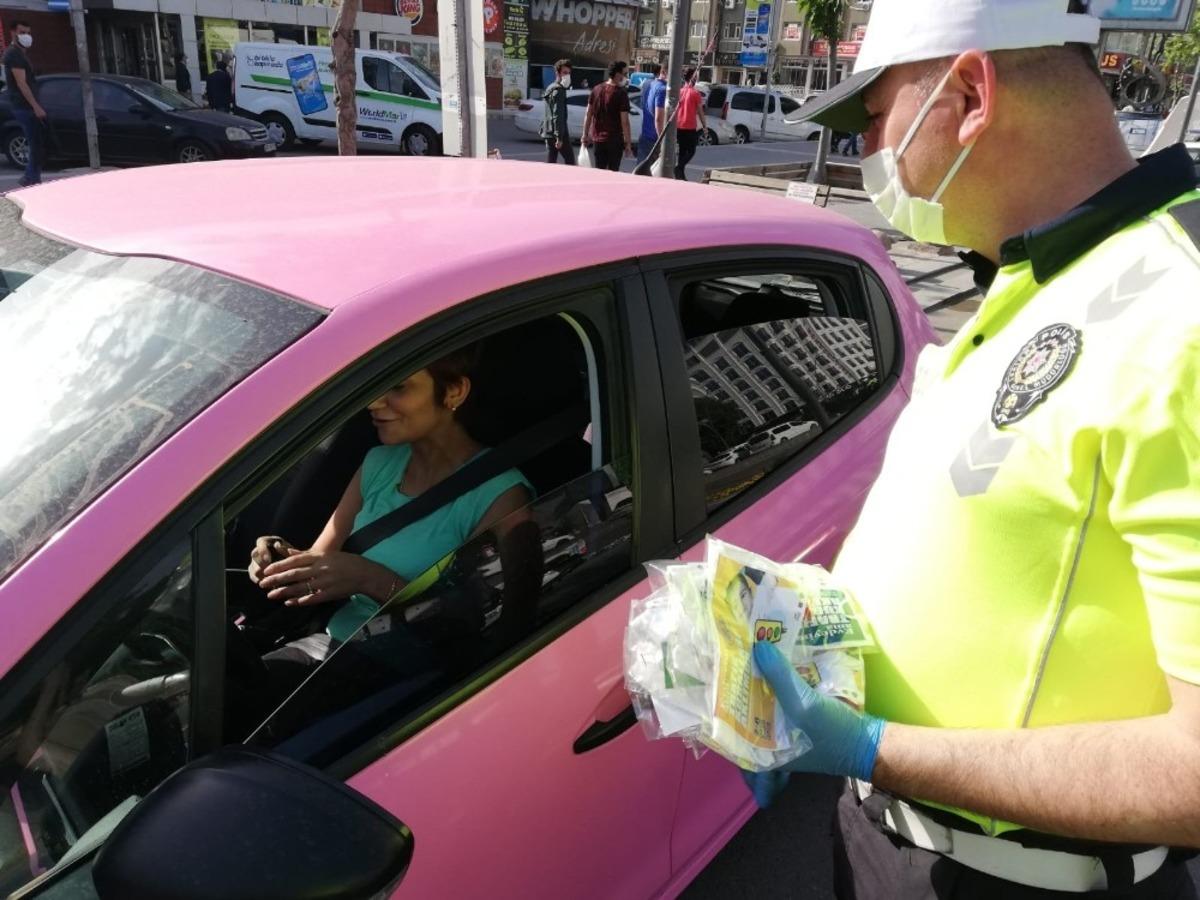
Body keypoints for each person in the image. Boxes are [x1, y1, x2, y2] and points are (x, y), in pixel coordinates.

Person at [744, 0, 1200, 897]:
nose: (869, 151)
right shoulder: (1037, 273)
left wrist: (872, 745)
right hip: (891, 837)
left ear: (968, 93)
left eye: (872, 119)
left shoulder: (1178, 313)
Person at [243, 345, 533, 740]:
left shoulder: (502, 496)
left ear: (453, 393)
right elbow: (319, 560)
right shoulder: (379, 462)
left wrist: (369, 578)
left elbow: (487, 630)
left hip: (412, 684)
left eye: (398, 387)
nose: (375, 402)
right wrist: (277, 557)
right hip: (333, 645)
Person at [3, 21, 44, 187]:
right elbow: (22, 83)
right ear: (13, 33)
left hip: (24, 105)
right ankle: (31, 178)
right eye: (22, 32)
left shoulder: (19, 54)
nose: (26, 36)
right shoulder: (14, 55)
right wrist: (35, 106)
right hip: (23, 106)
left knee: (37, 141)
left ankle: (32, 177)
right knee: (35, 142)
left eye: (28, 32)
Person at [581, 60, 632, 172]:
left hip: (598, 140)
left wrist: (585, 134)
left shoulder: (596, 89)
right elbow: (625, 122)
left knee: (599, 172)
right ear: (618, 74)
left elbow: (588, 114)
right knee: (613, 172)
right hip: (614, 140)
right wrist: (628, 143)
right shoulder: (621, 93)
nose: (625, 77)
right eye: (625, 74)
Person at [541, 58, 574, 165]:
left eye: (569, 73)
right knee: (570, 161)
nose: (567, 76)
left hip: (548, 131)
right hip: (558, 132)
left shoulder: (550, 87)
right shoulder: (559, 90)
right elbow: (557, 114)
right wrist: (559, 137)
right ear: (557, 73)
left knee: (552, 161)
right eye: (564, 73)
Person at [674, 66, 705, 180]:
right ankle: (679, 167)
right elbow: (700, 112)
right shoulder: (695, 93)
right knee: (691, 151)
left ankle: (680, 175)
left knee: (682, 151)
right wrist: (705, 126)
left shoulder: (680, 91)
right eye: (696, 76)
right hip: (690, 126)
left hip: (678, 125)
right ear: (693, 78)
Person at [635, 64, 667, 172]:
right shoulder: (662, 89)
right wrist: (662, 141)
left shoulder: (649, 84)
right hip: (655, 138)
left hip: (645, 134)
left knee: (641, 171)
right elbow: (658, 119)